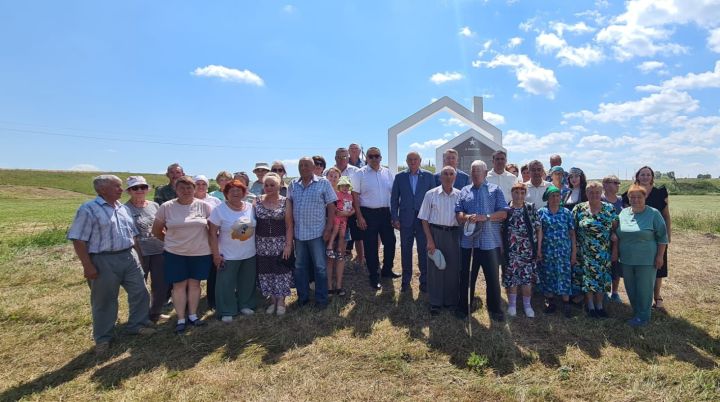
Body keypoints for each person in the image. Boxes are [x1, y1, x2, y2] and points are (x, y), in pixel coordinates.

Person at [68, 175, 154, 354]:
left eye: (120, 186)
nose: (121, 190)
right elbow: (78, 239)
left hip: (129, 256)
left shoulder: (122, 208)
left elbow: (133, 234)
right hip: (103, 259)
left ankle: (137, 325)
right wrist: (87, 265)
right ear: (102, 190)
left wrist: (138, 255)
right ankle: (103, 337)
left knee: (140, 291)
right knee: (104, 299)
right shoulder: (89, 209)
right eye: (116, 186)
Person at [151, 176, 212, 333]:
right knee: (178, 285)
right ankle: (180, 318)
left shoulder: (204, 206)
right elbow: (156, 230)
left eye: (189, 188)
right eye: (182, 188)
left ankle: (192, 315)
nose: (186, 191)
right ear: (175, 190)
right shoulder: (166, 207)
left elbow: (212, 229)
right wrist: (171, 242)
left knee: (195, 284)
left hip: (200, 252)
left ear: (194, 189)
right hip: (175, 253)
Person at [454, 160, 508, 321]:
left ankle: (494, 308)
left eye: (479, 171)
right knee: (466, 276)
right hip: (468, 243)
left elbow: (504, 213)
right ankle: (464, 307)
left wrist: (486, 217)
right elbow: (458, 214)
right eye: (473, 171)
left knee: (492, 278)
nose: (476, 174)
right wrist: (466, 217)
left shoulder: (495, 190)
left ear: (485, 173)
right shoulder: (464, 190)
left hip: (489, 242)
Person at [615, 184, 668, 327]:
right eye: (632, 197)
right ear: (628, 198)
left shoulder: (653, 213)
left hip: (647, 259)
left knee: (644, 288)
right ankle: (637, 312)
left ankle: (643, 317)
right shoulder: (624, 213)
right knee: (630, 287)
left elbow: (662, 237)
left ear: (645, 197)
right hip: (626, 258)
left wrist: (660, 256)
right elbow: (617, 232)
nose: (636, 199)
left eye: (639, 196)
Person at [288, 157, 337, 308]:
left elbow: (331, 207)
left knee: (320, 267)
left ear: (313, 167)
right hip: (299, 234)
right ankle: (302, 298)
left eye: (306, 165)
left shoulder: (323, 183)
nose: (303, 167)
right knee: (300, 267)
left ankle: (321, 299)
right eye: (300, 165)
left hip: (317, 233)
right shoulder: (293, 184)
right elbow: (289, 206)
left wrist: (328, 228)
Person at [622, 166, 671, 311]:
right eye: (642, 174)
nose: (645, 177)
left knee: (658, 265)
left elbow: (666, 215)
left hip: (656, 234)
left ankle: (657, 297)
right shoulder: (629, 193)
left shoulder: (660, 193)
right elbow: (627, 214)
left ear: (652, 177)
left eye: (648, 174)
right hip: (637, 236)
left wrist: (667, 235)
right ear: (637, 176)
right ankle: (642, 298)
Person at [208, 179, 257, 322]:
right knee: (225, 283)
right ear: (225, 193)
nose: (236, 193)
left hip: (249, 252)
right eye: (232, 191)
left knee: (247, 281)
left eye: (239, 191)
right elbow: (212, 233)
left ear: (244, 193)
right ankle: (226, 310)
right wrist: (216, 255)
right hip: (228, 254)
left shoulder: (250, 207)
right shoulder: (219, 210)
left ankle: (245, 304)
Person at [351, 147, 398, 290]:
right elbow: (355, 196)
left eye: (377, 156)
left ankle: (387, 270)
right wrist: (359, 216)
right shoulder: (360, 173)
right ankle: (373, 276)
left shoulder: (388, 173)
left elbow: (394, 195)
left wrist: (394, 214)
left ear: (381, 157)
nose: (374, 158)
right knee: (371, 247)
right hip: (368, 213)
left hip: (385, 213)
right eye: (371, 156)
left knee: (391, 242)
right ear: (367, 158)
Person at [123, 176, 169, 323]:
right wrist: (139, 254)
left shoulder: (155, 206)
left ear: (147, 189)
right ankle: (140, 316)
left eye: (142, 187)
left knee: (160, 284)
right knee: (139, 287)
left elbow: (163, 225)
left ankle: (155, 312)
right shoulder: (125, 209)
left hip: (158, 250)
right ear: (129, 191)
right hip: (138, 252)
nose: (139, 190)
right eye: (135, 188)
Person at [419, 166, 461, 315]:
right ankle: (435, 302)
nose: (448, 177)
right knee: (435, 268)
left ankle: (450, 301)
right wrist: (430, 240)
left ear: (455, 177)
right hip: (435, 233)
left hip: (454, 234)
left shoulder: (460, 195)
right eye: (445, 174)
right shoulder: (431, 194)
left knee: (452, 268)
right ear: (440, 177)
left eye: (451, 174)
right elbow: (424, 219)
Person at [390, 151, 434, 292]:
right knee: (405, 250)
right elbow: (394, 199)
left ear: (420, 160)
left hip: (424, 220)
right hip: (405, 219)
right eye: (410, 159)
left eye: (415, 159)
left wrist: (432, 218)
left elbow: (434, 199)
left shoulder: (428, 176)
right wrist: (395, 217)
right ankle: (406, 280)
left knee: (423, 249)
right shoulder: (400, 177)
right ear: (407, 161)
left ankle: (425, 280)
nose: (413, 162)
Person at [573, 181, 618, 318]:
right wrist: (574, 250)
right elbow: (573, 231)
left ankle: (599, 306)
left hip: (603, 251)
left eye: (597, 192)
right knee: (587, 279)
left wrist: (615, 250)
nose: (594, 195)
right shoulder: (579, 208)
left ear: (601, 193)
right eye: (591, 192)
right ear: (586, 193)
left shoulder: (609, 209)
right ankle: (590, 306)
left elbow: (615, 231)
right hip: (584, 252)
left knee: (602, 280)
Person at [255, 173, 294, 315]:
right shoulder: (257, 201)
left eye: (272, 185)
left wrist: (288, 245)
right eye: (266, 185)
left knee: (282, 271)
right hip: (261, 243)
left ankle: (281, 301)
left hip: (280, 242)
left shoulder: (286, 201)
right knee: (266, 272)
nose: (269, 187)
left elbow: (289, 225)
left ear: (279, 186)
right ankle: (272, 300)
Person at [501, 182, 542, 318]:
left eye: (522, 192)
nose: (519, 195)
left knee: (526, 279)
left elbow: (538, 229)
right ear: (511, 193)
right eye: (516, 192)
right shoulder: (506, 209)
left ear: (525, 194)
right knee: (512, 278)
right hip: (511, 250)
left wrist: (539, 248)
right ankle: (512, 305)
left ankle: (527, 306)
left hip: (527, 250)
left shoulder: (530, 208)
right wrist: (502, 248)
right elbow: (501, 230)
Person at [537, 186, 577, 318]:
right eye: (552, 196)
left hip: (563, 252)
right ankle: (551, 302)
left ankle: (566, 303)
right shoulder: (541, 212)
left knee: (564, 276)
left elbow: (572, 234)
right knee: (548, 275)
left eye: (557, 196)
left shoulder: (566, 212)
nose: (555, 198)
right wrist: (539, 250)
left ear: (560, 197)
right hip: (547, 251)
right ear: (547, 198)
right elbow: (540, 233)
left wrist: (573, 253)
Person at [329, 147, 363, 264]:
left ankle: (360, 259)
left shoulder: (356, 171)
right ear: (335, 158)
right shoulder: (329, 172)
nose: (342, 159)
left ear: (348, 157)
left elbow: (357, 192)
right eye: (339, 156)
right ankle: (334, 260)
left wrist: (354, 212)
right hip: (335, 211)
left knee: (357, 236)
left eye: (344, 156)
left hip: (351, 209)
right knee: (335, 235)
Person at [326, 170, 354, 296]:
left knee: (340, 256)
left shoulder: (346, 194)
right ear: (326, 177)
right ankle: (329, 286)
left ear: (340, 179)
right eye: (330, 176)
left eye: (335, 176)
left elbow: (350, 208)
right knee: (329, 258)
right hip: (328, 227)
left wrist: (349, 213)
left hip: (343, 226)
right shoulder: (323, 191)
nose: (333, 178)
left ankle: (339, 285)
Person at [602, 175, 624, 302]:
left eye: (618, 183)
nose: (617, 185)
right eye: (614, 182)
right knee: (604, 265)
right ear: (605, 184)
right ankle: (604, 291)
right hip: (603, 237)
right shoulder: (600, 198)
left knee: (616, 264)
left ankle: (614, 292)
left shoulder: (621, 200)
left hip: (620, 237)